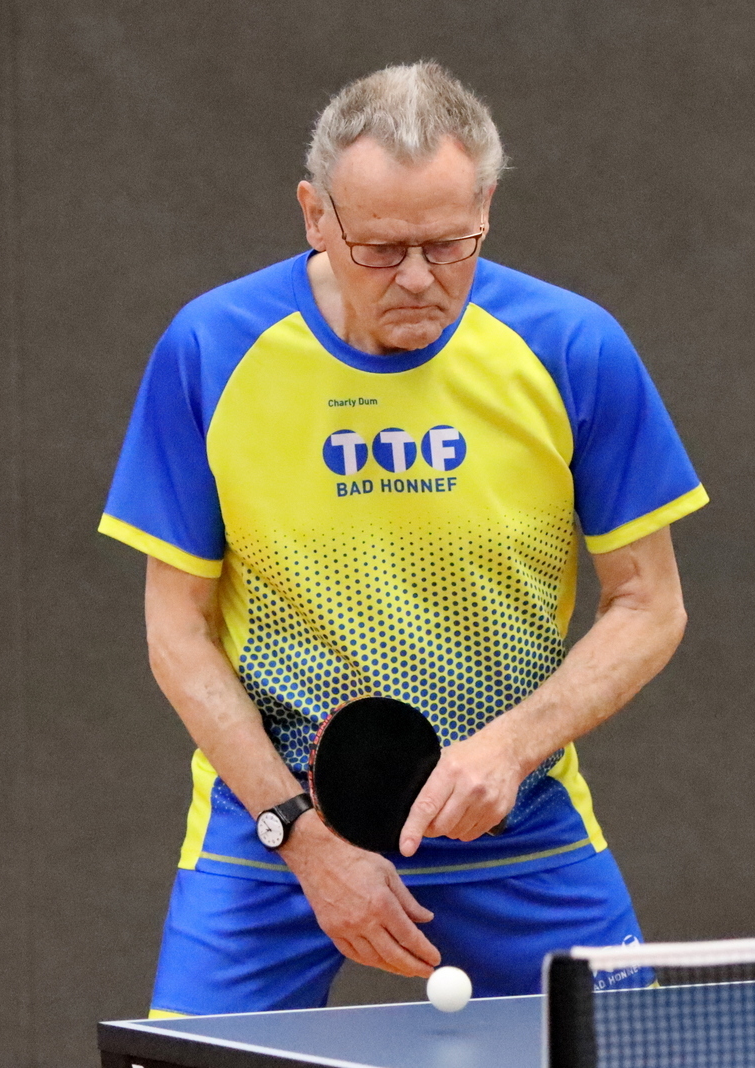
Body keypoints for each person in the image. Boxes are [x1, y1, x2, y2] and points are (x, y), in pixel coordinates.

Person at [100, 61, 707, 1015]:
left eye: (448, 243)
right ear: (315, 215)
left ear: (486, 208)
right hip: (275, 828)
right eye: (381, 248)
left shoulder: (572, 349)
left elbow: (649, 605)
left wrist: (510, 750)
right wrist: (303, 838)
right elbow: (176, 631)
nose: (419, 278)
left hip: (511, 823)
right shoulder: (212, 349)